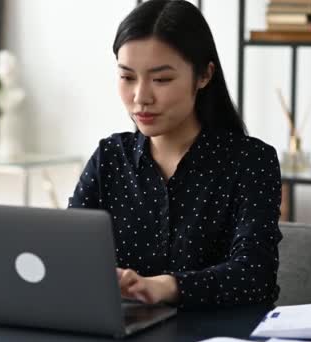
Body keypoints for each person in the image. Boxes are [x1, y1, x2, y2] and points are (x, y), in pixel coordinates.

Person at [68, 0, 282, 310]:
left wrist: (165, 286)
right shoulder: (110, 157)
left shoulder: (250, 162)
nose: (141, 97)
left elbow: (254, 276)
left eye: (161, 79)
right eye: (127, 77)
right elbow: (67, 253)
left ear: (204, 76)